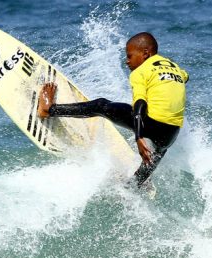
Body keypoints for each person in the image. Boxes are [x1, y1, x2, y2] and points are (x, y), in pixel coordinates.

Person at [37, 32, 188, 188]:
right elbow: (185, 76)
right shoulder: (176, 68)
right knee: (145, 169)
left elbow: (139, 105)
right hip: (170, 136)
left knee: (101, 106)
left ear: (145, 54)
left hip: (150, 126)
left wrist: (139, 136)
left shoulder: (140, 72)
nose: (127, 61)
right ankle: (132, 188)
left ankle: (48, 110)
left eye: (129, 56)